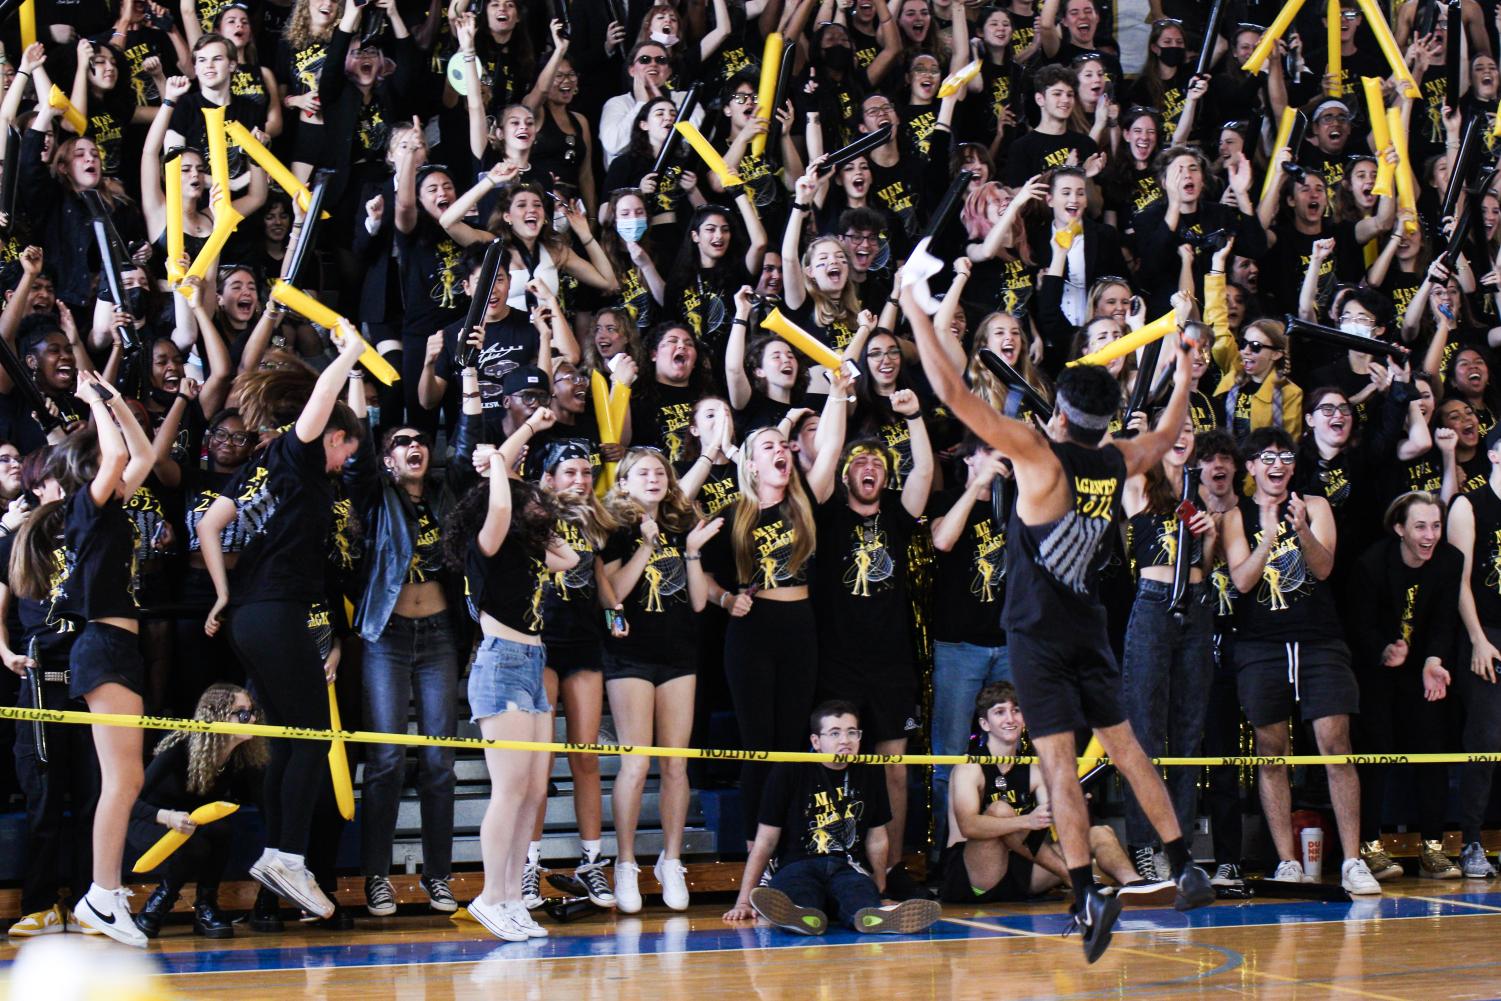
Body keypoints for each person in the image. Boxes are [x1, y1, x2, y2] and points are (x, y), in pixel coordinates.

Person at [905, 282, 1213, 963]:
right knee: (1127, 750)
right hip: (1090, 629)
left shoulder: (1038, 456)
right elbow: (1164, 432)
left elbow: (955, 396)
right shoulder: (1117, 457)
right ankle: (1183, 863)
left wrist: (913, 313)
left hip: (1038, 638)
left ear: (1060, 416)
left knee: (1058, 764)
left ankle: (1082, 892)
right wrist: (1184, 370)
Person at [196, 325, 368, 921]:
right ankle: (287, 855)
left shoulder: (260, 468)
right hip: (274, 614)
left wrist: (222, 594)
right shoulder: (298, 456)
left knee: (286, 741)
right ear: (333, 437)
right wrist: (348, 353)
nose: (347, 461)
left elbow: (208, 526)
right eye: (347, 448)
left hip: (250, 614)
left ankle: (278, 849)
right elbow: (322, 404)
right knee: (315, 735)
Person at [11, 374, 158, 947]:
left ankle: (103, 893)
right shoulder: (85, 508)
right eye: (102, 464)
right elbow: (119, 451)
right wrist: (93, 403)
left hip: (116, 646)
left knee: (125, 777)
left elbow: (142, 451)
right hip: (101, 646)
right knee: (122, 779)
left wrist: (117, 399)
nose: (114, 467)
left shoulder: (109, 509)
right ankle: (101, 895)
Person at [1218, 426, 1380, 895]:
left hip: (1319, 641)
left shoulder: (1316, 505)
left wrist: (1301, 528)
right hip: (1260, 645)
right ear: (1250, 468)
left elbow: (1324, 568)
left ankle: (1352, 859)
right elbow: (1244, 581)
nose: (1276, 465)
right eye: (1266, 457)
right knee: (1271, 752)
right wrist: (1268, 536)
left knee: (1336, 745)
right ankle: (1287, 861)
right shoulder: (1235, 516)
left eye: (1284, 456)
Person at [446, 444, 577, 942]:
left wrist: (536, 512)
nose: (541, 502)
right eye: (533, 499)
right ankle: (491, 895)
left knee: (533, 791)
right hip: (501, 663)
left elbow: (570, 556)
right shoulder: (488, 546)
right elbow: (500, 507)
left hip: (533, 662)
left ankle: (512, 896)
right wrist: (501, 466)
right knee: (509, 790)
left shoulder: (526, 547)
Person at [721, 700, 941, 936]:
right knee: (799, 894)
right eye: (835, 733)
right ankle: (804, 916)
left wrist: (879, 890)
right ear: (816, 742)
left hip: (847, 866)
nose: (845, 740)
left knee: (857, 894)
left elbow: (877, 838)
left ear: (859, 737)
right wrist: (743, 901)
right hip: (797, 864)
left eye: (851, 732)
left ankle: (872, 915)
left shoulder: (870, 770)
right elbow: (765, 841)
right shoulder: (789, 770)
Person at [940, 682, 1169, 904]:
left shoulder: (1033, 770)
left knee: (1100, 833)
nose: (1010, 719)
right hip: (975, 878)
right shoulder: (968, 768)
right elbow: (968, 826)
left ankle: (1136, 884)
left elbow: (1057, 820)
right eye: (1000, 712)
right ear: (985, 723)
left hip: (1020, 870)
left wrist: (1071, 804)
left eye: (1016, 711)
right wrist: (1026, 820)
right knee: (1001, 810)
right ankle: (1076, 881)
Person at [1344, 492, 1461, 882]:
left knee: (1433, 751)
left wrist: (1433, 661)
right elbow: (1359, 625)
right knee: (1375, 752)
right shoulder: (1372, 564)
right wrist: (1383, 650)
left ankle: (1433, 848)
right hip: (1377, 668)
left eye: (1436, 526)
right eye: (1421, 526)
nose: (1430, 535)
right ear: (1400, 528)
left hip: (1423, 667)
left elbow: (1445, 620)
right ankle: (1371, 848)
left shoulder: (1449, 561)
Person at [128, 683, 267, 939]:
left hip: (193, 825)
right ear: (217, 715)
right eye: (243, 713)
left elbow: (261, 798)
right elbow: (129, 801)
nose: (253, 719)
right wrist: (167, 817)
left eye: (252, 711)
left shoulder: (241, 756)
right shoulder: (180, 745)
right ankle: (157, 905)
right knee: (197, 845)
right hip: (151, 820)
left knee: (222, 830)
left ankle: (206, 906)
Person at [1445, 427, 1501, 878]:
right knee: (1483, 739)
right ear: (1496, 455)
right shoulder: (1471, 504)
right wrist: (1479, 638)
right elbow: (1458, 582)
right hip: (1485, 631)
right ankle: (1472, 842)